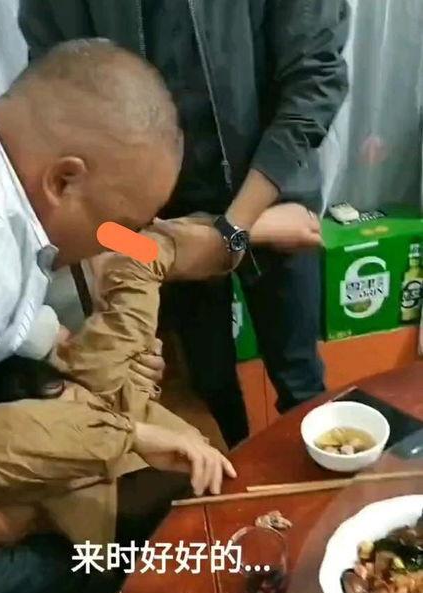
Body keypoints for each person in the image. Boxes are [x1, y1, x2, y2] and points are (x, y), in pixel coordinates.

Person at [0, 39, 230, 593]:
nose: (111, 242)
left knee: (125, 376)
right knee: (101, 572)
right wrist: (11, 524)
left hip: (84, 361)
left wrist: (57, 346)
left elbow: (148, 254)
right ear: (63, 178)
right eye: (116, 225)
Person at [20, 0, 350, 446]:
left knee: (301, 380)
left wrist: (237, 226)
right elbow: (109, 234)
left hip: (273, 190)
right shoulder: (82, 215)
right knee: (207, 387)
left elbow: (316, 81)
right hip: (164, 227)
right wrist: (243, 231)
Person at [0, 216, 238, 546]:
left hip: (72, 367)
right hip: (14, 411)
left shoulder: (96, 230)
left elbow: (147, 251)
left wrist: (235, 237)